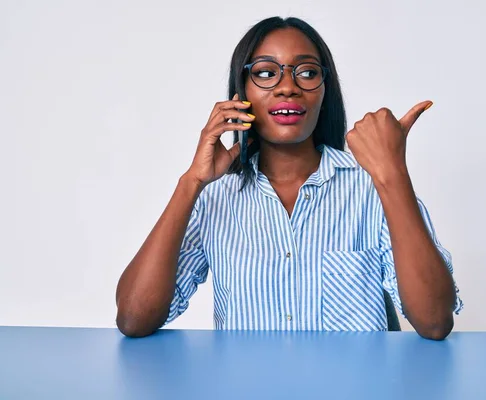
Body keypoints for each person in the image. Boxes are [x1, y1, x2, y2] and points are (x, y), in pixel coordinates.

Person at [115, 16, 463, 339]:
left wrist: (392, 172)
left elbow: (434, 321)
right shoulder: (214, 196)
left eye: (307, 72)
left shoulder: (371, 187)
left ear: (325, 91)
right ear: (241, 94)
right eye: (266, 73)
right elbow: (134, 318)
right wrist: (191, 182)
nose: (287, 87)